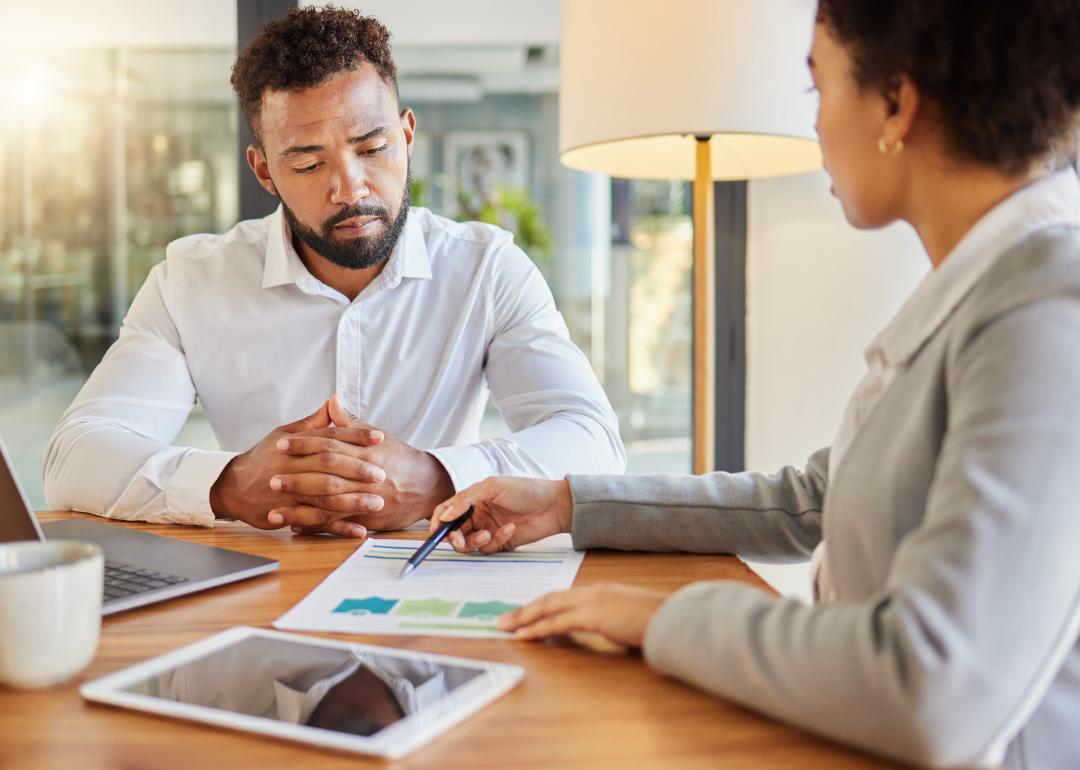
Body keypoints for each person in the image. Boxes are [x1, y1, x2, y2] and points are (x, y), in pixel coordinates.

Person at [431, 2, 1080, 767]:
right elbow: (809, 496)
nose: (815, 129)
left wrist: (666, 618)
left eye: (817, 90)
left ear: (896, 102)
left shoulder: (1047, 312)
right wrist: (567, 503)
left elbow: (934, 684)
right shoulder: (991, 286)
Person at [42, 8, 624, 538]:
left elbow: (593, 441)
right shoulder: (190, 282)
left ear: (408, 135)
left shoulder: (486, 269)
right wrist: (230, 484)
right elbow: (75, 457)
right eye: (308, 162)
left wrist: (436, 478)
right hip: (261, 587)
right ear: (265, 171)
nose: (350, 188)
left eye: (372, 149)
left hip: (437, 582)